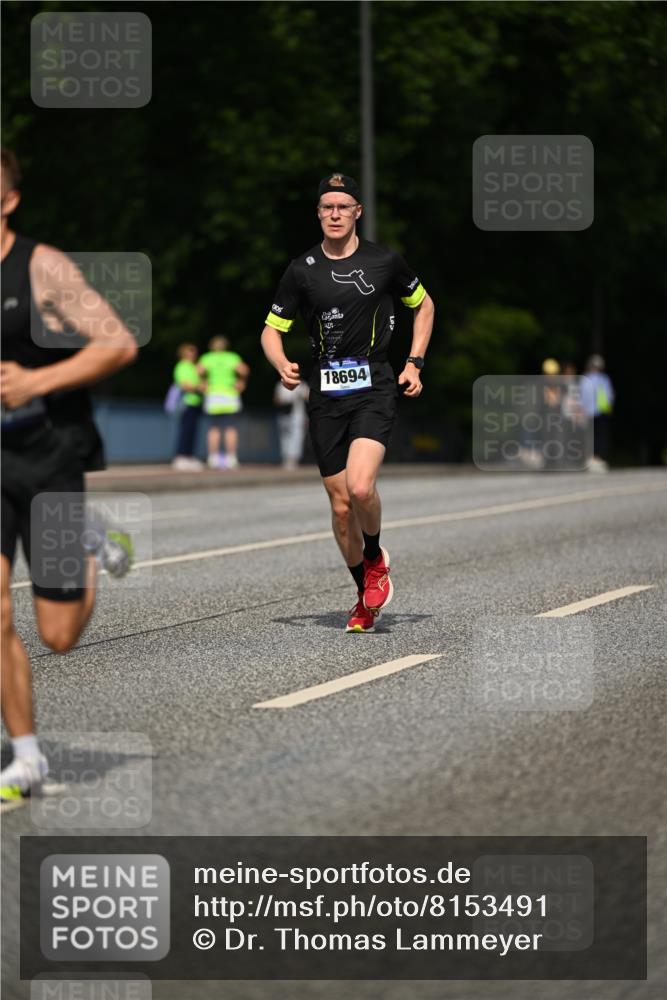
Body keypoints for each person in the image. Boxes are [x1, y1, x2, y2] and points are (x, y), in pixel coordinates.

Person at [0, 148, 137, 809]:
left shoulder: (41, 265)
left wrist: (36, 380)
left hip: (49, 456)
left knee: (57, 636)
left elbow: (116, 342)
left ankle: (88, 542)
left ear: (9, 200)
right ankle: (25, 757)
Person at [261, 172, 434, 633]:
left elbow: (425, 305)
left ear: (358, 211)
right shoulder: (302, 269)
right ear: (318, 214)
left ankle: (375, 558)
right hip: (326, 395)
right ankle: (363, 592)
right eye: (326, 207)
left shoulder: (384, 262)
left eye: (343, 206)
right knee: (340, 508)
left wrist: (414, 362)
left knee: (360, 488)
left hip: (374, 386)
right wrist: (280, 362)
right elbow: (271, 329)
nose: (335, 214)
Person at [198, 335, 250, 469]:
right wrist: (241, 382)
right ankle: (231, 458)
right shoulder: (232, 357)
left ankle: (213, 458)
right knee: (230, 428)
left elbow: (198, 371)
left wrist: (202, 383)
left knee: (214, 428)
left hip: (213, 394)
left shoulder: (207, 358)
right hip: (229, 394)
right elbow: (244, 370)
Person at [171, 342, 204, 471]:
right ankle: (181, 457)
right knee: (185, 430)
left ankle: (189, 456)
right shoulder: (182, 366)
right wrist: (199, 387)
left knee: (192, 431)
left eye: (194, 351)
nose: (193, 353)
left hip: (195, 402)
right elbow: (185, 385)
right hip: (185, 403)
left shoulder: (193, 367)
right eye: (190, 351)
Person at [581, 354, 614, 471]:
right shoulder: (602, 379)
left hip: (597, 411)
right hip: (596, 412)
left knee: (596, 436)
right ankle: (593, 458)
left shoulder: (590, 379)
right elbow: (608, 395)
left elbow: (607, 395)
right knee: (596, 436)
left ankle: (595, 458)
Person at [274, 378, 309, 469]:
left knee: (296, 437)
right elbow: (277, 400)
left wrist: (299, 395)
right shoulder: (280, 385)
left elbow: (308, 397)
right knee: (284, 437)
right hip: (284, 415)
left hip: (297, 415)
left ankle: (293, 459)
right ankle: (286, 458)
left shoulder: (301, 384)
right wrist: (284, 401)